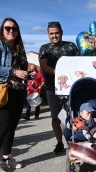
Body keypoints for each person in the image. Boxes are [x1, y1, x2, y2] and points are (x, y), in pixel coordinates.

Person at [0, 18, 35, 172]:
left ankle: (6, 157)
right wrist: (14, 72)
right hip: (3, 90)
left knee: (11, 127)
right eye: (8, 28)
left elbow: (22, 68)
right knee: (2, 126)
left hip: (18, 90)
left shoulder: (19, 48)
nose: (11, 31)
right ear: (2, 29)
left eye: (14, 28)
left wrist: (28, 74)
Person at [39, 21, 81, 155]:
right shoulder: (44, 48)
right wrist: (61, 73)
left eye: (57, 33)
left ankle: (76, 139)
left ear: (61, 32)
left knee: (75, 114)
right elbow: (44, 66)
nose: (54, 36)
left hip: (72, 88)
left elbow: (80, 62)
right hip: (53, 88)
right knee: (56, 117)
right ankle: (59, 143)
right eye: (51, 34)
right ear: (48, 34)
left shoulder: (71, 46)